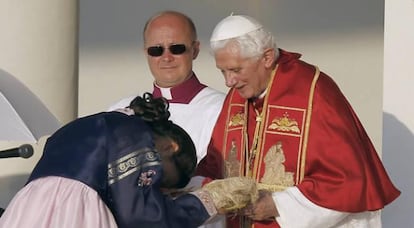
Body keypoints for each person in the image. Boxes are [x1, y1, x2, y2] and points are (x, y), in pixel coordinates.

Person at [196, 14, 401, 228]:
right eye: (223, 71)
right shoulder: (237, 96)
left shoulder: (313, 91)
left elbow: (347, 181)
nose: (229, 81)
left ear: (266, 57)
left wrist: (278, 205)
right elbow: (214, 165)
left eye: (236, 70)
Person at [0, 93, 225, 228]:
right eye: (162, 178)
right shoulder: (134, 135)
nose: (157, 188)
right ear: (169, 146)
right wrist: (204, 202)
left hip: (26, 212)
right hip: (76, 215)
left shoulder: (85, 125)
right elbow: (140, 216)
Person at [109, 11, 226, 228]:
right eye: (156, 50)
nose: (166, 57)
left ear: (195, 50)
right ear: (146, 53)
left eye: (177, 48)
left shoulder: (224, 108)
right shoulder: (121, 111)